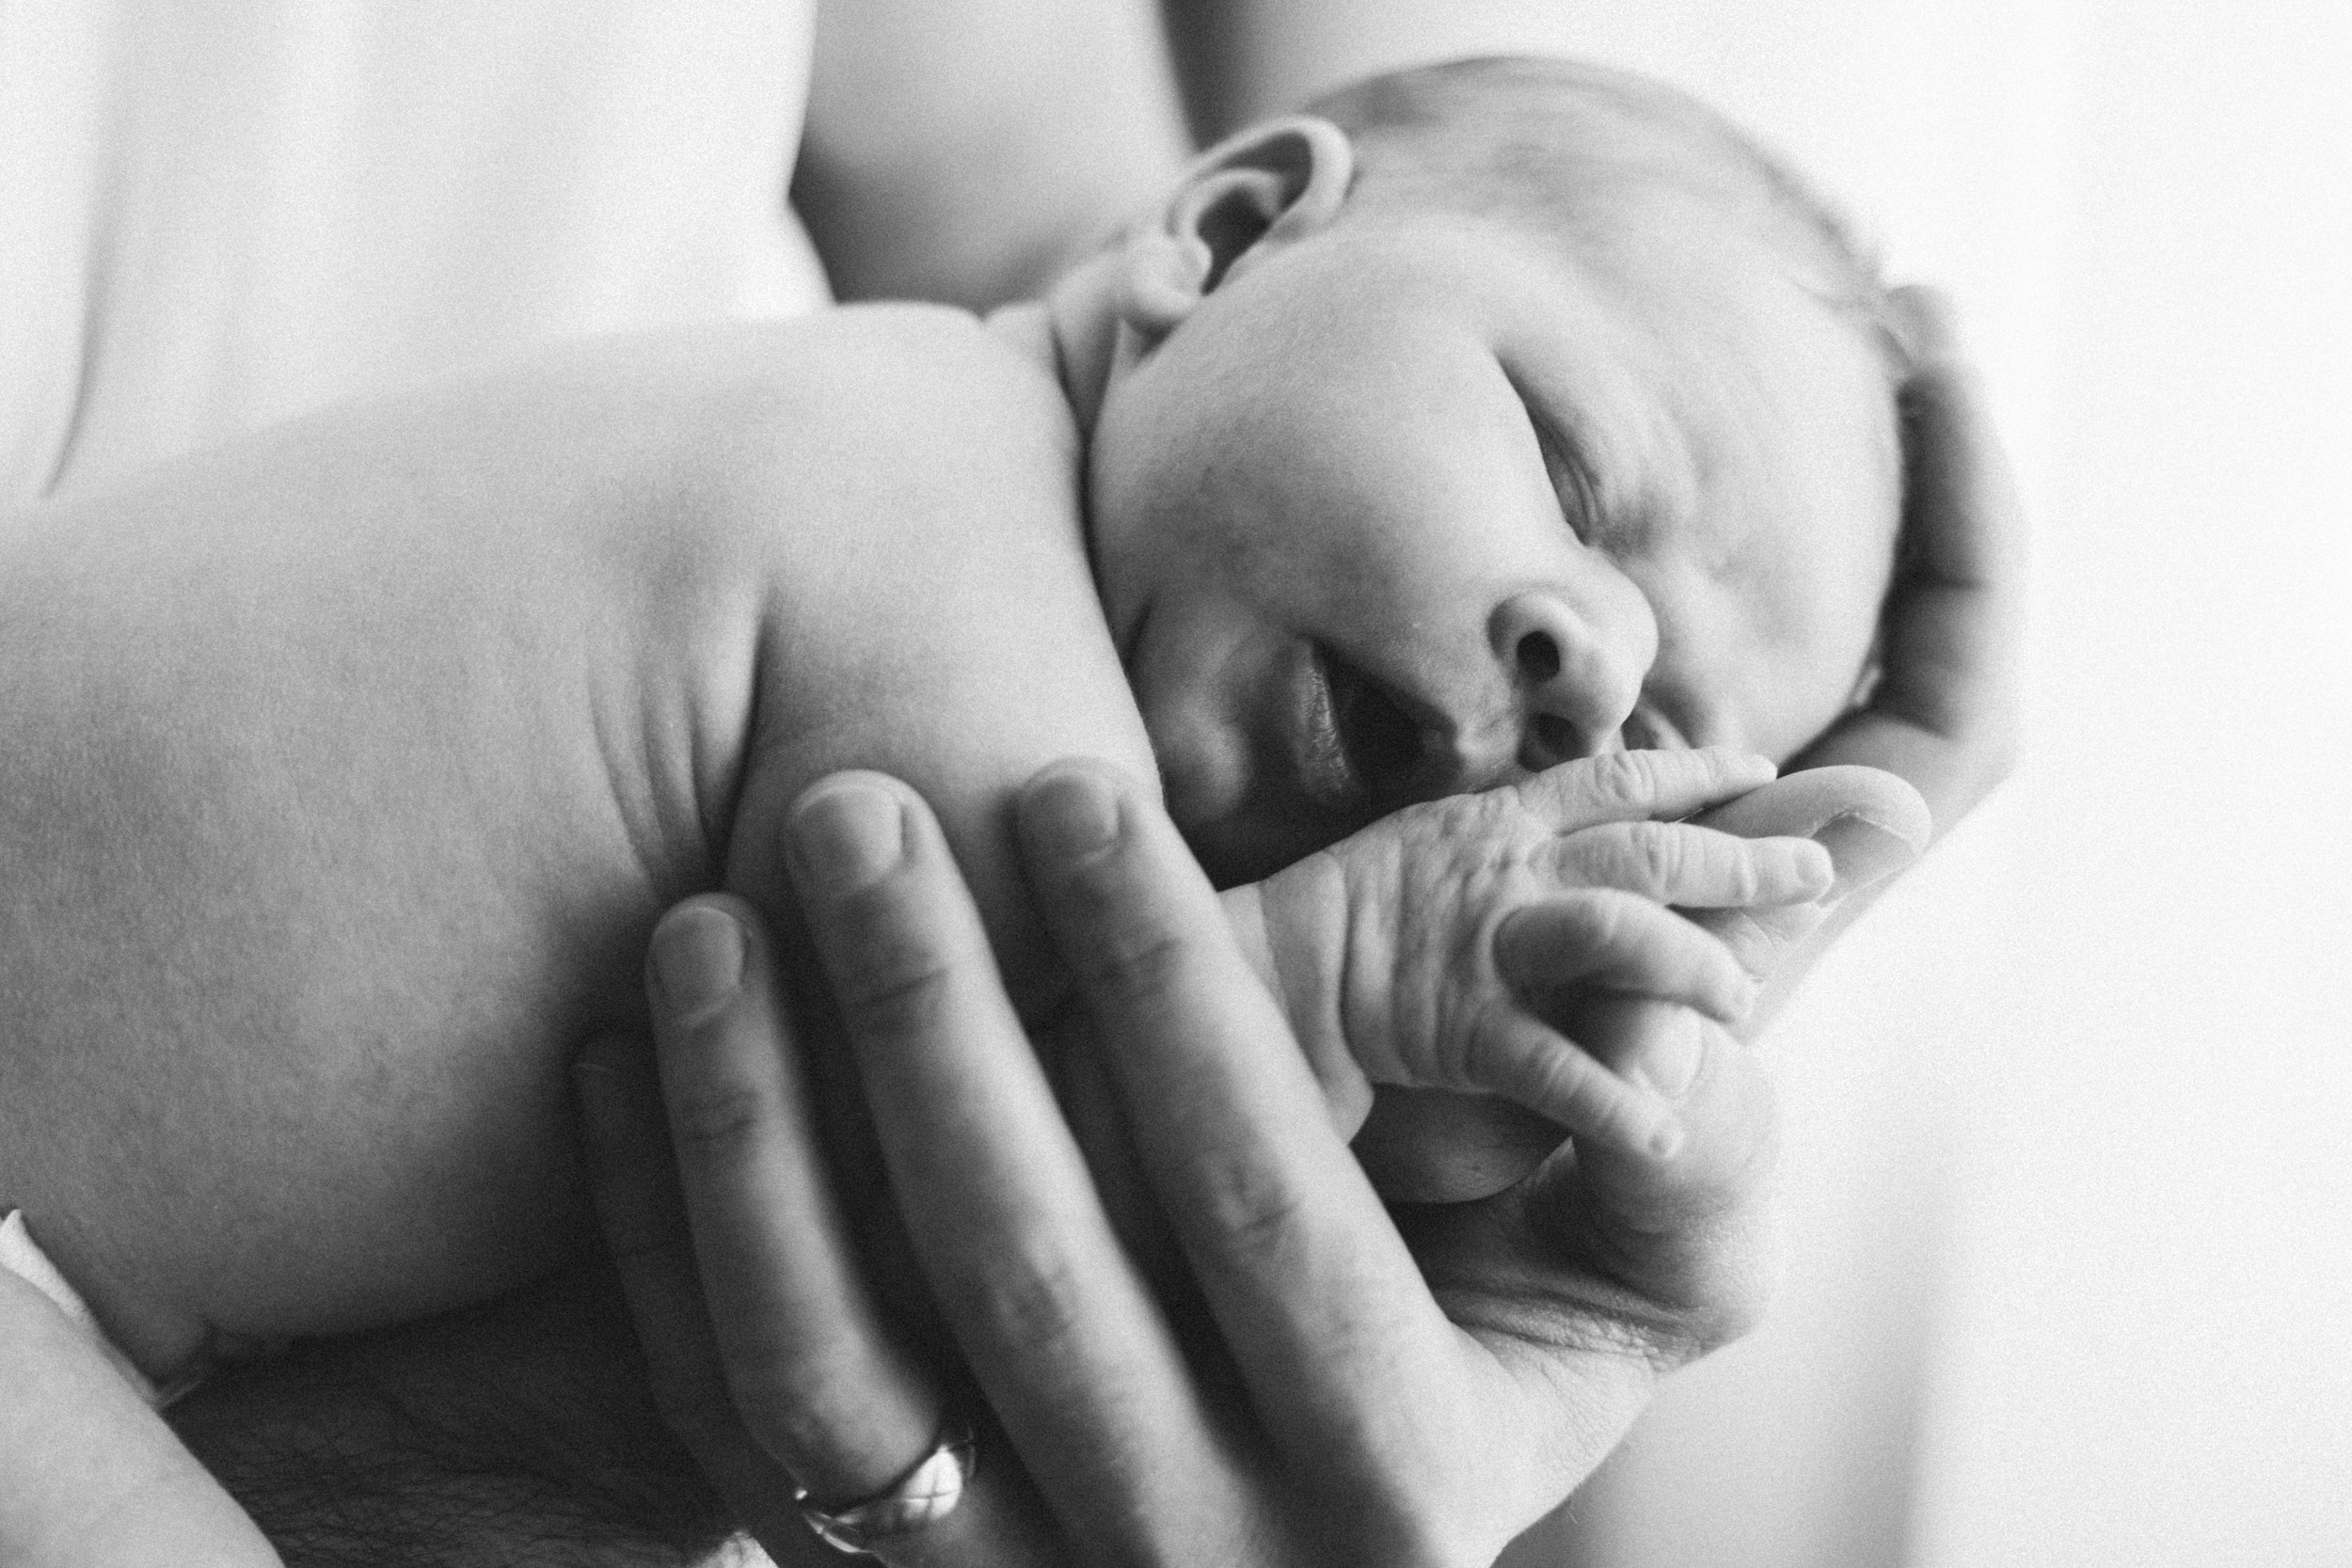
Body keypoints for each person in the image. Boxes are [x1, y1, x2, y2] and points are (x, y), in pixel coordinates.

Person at [0, 27, 2023, 1568]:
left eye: (1655, 723)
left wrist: (1647, 977)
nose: (1585, 663)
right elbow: (1055, 1108)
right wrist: (1371, 994)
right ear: (1219, 236)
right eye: (1569, 472)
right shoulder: (932, 532)